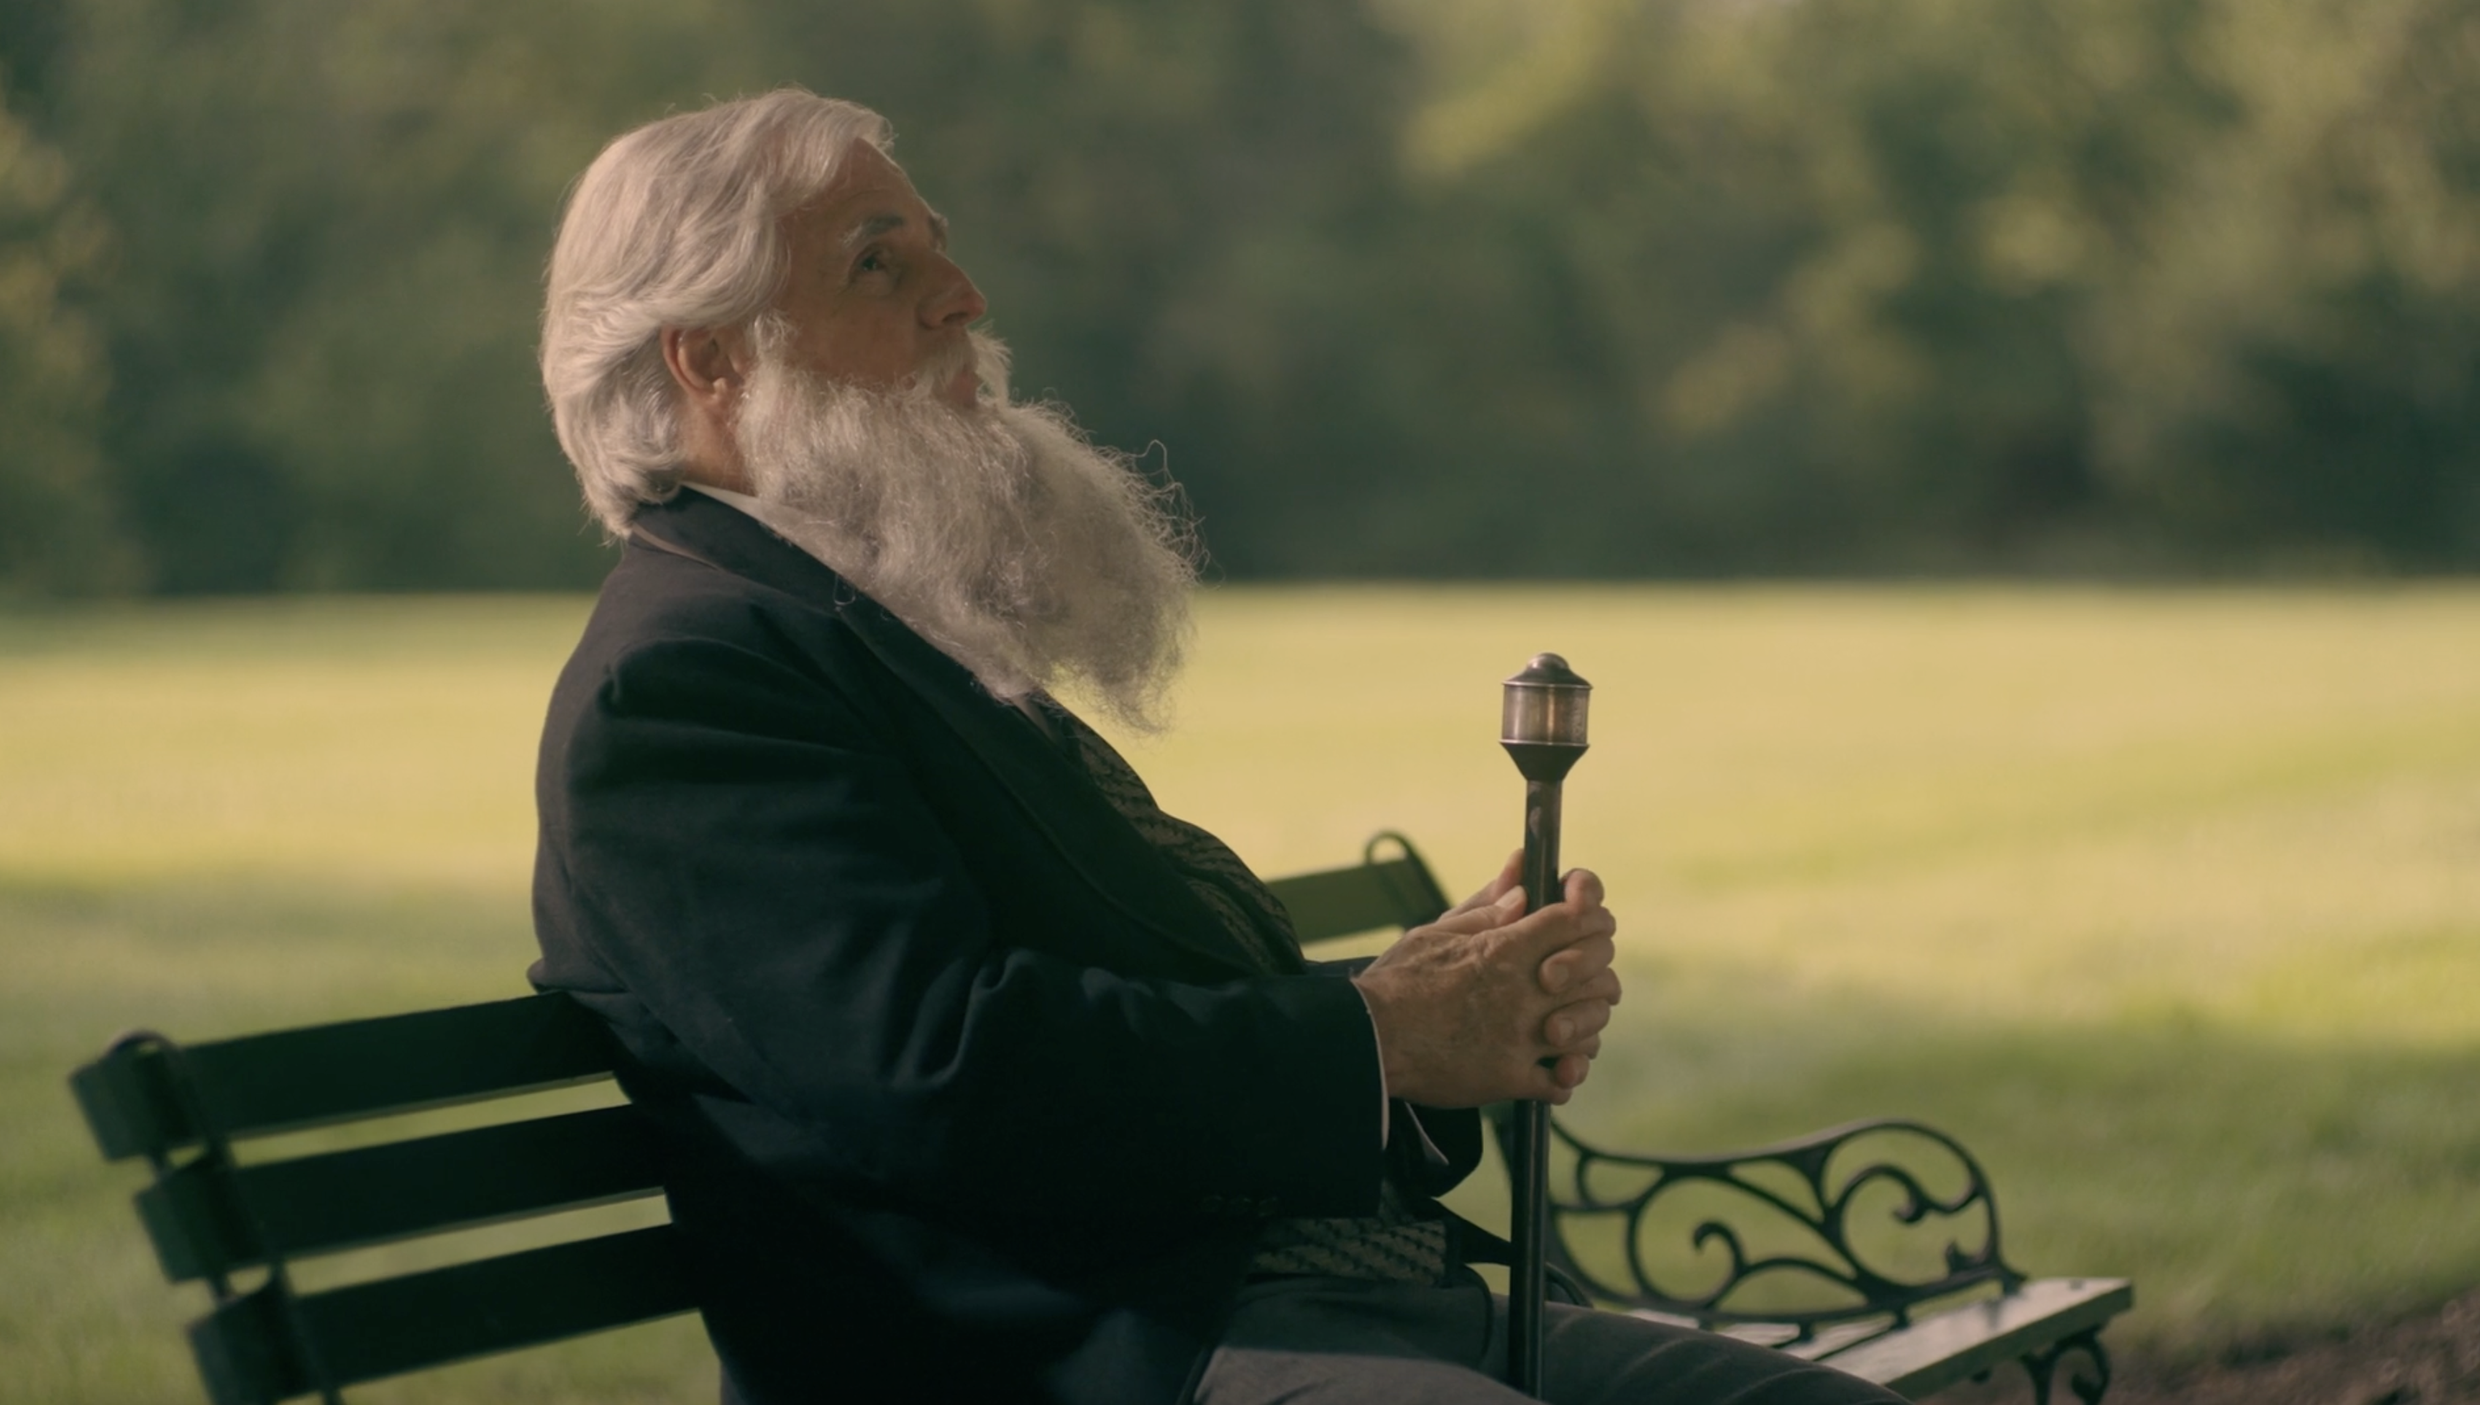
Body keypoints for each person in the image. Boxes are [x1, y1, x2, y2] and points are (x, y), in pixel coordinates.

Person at [530, 88, 1902, 1405]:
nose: (964, 298)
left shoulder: (854, 630)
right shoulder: (686, 685)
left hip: (1318, 1315)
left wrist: (1438, 1016)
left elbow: (1131, 1009)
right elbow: (955, 1074)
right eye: (880, 265)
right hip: (1086, 1368)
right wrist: (1381, 1038)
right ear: (709, 359)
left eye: (942, 251)